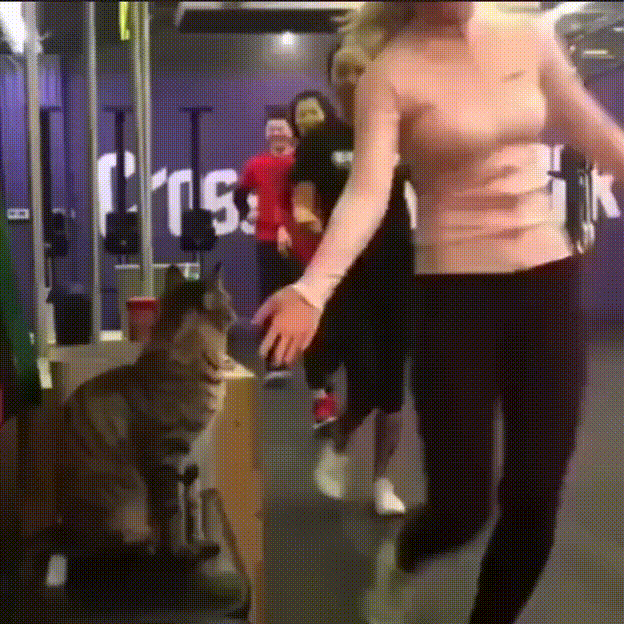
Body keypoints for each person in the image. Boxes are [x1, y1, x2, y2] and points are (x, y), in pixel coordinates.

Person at [253, 2, 624, 623]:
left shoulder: (530, 37)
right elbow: (367, 192)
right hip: (453, 299)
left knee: (536, 501)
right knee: (462, 509)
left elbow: (599, 136)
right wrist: (311, 290)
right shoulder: (390, 74)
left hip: (546, 289)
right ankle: (400, 559)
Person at [290, 42, 414, 515]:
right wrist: (309, 221)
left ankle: (382, 481)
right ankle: (342, 437)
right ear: (332, 80)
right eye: (342, 71)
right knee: (366, 373)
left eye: (360, 69)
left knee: (393, 386)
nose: (352, 78)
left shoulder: (399, 132)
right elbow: (303, 201)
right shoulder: (320, 141)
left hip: (398, 268)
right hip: (347, 273)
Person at [233, 106, 305, 386]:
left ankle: (310, 364)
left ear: (291, 132)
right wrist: (246, 213)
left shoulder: (301, 161)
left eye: (281, 127)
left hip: (299, 240)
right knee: (271, 298)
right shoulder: (256, 164)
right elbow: (239, 195)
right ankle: (275, 363)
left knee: (299, 298)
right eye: (271, 128)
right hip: (266, 239)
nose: (276, 132)